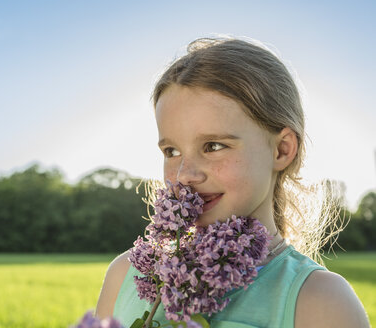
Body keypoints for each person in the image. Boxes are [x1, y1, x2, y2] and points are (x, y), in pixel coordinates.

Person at [95, 36, 370, 328]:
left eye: (213, 146)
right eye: (171, 151)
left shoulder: (321, 301)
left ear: (282, 150)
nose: (185, 174)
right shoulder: (126, 275)